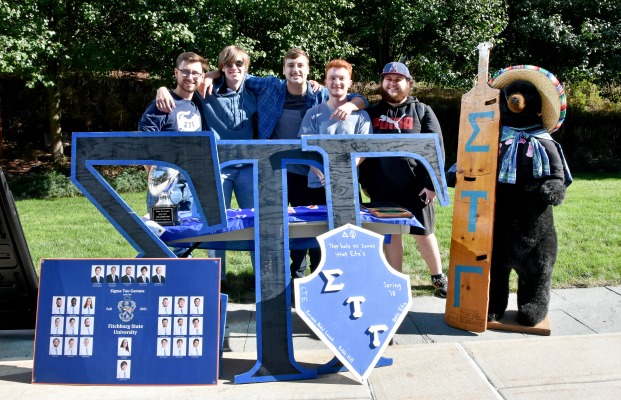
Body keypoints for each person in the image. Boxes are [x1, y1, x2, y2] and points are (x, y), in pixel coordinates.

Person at [196, 48, 369, 280]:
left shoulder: (317, 95)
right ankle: (277, 276)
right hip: (273, 168)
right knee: (274, 224)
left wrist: (353, 104)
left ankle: (319, 274)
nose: (295, 70)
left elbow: (353, 96)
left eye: (300, 66)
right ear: (283, 69)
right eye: (290, 65)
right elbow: (237, 73)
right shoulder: (269, 86)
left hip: (305, 171)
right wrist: (210, 75)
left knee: (309, 224)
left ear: (308, 71)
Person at [156, 46, 259, 279]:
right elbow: (184, 88)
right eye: (228, 64)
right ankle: (217, 278)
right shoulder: (206, 90)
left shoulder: (255, 90)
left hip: (249, 168)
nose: (234, 68)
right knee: (214, 224)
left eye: (239, 64)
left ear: (246, 66)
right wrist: (161, 88)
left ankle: (259, 277)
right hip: (218, 167)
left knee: (254, 223)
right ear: (221, 68)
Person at [358, 62, 448, 297]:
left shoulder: (422, 111)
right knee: (391, 235)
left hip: (416, 188)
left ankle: (438, 277)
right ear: (382, 82)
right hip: (382, 187)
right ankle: (395, 281)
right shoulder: (371, 112)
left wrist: (432, 184)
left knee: (424, 233)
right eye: (388, 78)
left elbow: (436, 148)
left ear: (408, 83)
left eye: (398, 79)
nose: (392, 83)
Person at [296, 59, 371, 276]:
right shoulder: (314, 114)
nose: (336, 82)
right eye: (332, 78)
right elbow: (306, 150)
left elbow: (364, 150)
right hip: (316, 184)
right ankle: (316, 279)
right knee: (318, 238)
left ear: (350, 82)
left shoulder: (361, 116)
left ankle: (350, 277)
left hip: (347, 187)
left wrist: (342, 176)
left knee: (348, 235)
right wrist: (324, 176)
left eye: (341, 78)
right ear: (325, 81)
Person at [139, 52, 208, 257]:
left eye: (196, 73)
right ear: (176, 73)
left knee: (186, 238)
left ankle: (184, 279)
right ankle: (157, 279)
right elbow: (143, 141)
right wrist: (154, 176)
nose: (190, 77)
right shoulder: (162, 104)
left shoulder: (198, 103)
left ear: (202, 77)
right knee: (161, 237)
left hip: (190, 184)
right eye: (185, 72)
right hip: (166, 188)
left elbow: (224, 74)